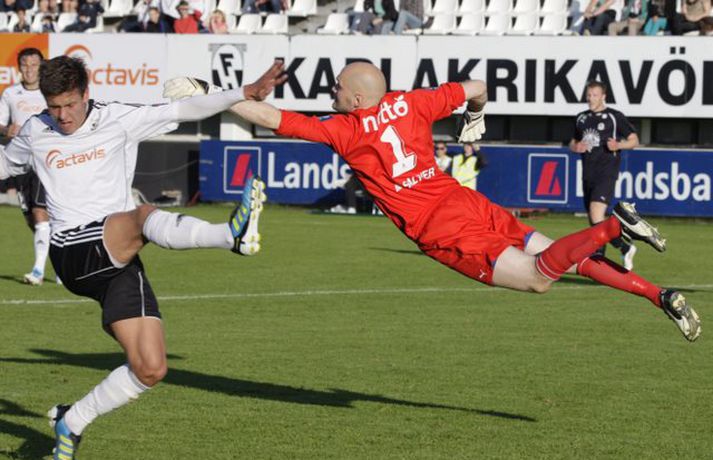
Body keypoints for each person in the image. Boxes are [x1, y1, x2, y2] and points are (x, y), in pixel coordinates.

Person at [166, 62, 700, 346]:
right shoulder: (412, 102)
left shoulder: (344, 129)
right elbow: (479, 85)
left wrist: (208, 92)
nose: (331, 94)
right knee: (568, 257)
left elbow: (269, 118)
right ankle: (660, 295)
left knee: (539, 279)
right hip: (467, 202)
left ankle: (613, 228)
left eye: (336, 89)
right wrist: (475, 118)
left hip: (441, 229)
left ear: (356, 99)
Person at [0, 56, 285, 459]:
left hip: (118, 260)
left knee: (150, 367)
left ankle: (72, 421)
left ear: (86, 93)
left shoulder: (118, 118)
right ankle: (229, 236)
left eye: (69, 104)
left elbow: (184, 109)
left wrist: (244, 93)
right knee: (143, 215)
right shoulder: (35, 130)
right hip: (72, 250)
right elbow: (4, 164)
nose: (62, 116)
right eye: (54, 107)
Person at [569, 81, 639, 270]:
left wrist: (619, 145)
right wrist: (576, 147)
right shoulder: (581, 118)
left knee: (596, 213)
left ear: (603, 97)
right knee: (594, 219)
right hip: (588, 173)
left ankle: (604, 255)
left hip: (606, 171)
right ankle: (619, 250)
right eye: (588, 95)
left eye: (594, 95)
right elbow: (572, 142)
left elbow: (634, 140)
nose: (590, 99)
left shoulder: (614, 117)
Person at [0, 48, 53, 286]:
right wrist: (6, 130)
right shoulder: (10, 93)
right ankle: (60, 263)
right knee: (33, 220)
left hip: (44, 160)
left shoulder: (49, 92)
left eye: (34, 64)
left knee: (41, 213)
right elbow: (1, 124)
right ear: (19, 67)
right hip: (19, 163)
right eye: (25, 64)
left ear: (41, 67)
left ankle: (38, 272)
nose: (29, 69)